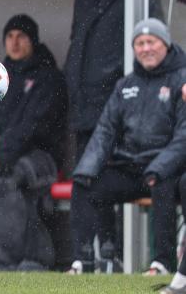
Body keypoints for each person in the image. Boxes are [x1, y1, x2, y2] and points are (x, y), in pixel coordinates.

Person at [69, 19, 186, 276]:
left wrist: (159, 167)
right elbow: (105, 131)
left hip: (169, 169)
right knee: (87, 184)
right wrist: (86, 169)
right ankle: (89, 260)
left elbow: (184, 135)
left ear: (165, 44)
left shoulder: (182, 80)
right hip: (132, 166)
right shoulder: (126, 85)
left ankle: (162, 263)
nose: (146, 48)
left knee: (163, 183)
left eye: (151, 42)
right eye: (140, 43)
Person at [64, 0, 163, 161]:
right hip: (83, 108)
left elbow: (155, 51)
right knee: (85, 179)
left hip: (118, 107)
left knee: (111, 178)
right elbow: (76, 44)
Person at [0, 15, 68, 176]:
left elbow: (35, 126)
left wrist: (8, 151)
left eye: (21, 36)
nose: (15, 42)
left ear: (32, 40)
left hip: (37, 153)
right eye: (10, 36)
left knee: (0, 180)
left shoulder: (49, 78)